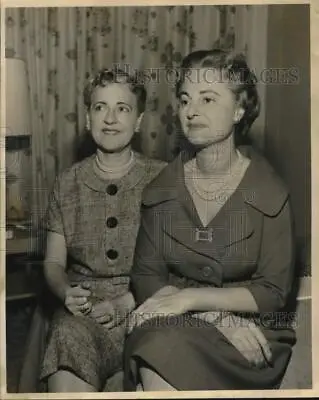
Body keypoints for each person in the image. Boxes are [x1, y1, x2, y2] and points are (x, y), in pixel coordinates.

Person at [123, 49, 297, 391]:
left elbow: (273, 293)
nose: (191, 111)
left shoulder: (270, 191)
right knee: (157, 344)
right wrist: (209, 313)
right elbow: (145, 278)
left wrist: (189, 297)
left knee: (161, 346)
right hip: (174, 324)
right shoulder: (161, 190)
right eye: (185, 99)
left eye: (208, 99)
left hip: (250, 334)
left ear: (239, 109)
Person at [39, 67, 167, 392]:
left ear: (138, 122)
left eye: (122, 108)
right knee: (67, 336)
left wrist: (129, 301)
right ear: (87, 119)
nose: (110, 118)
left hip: (148, 306)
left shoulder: (164, 179)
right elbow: (53, 263)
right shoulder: (66, 182)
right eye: (100, 107)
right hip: (84, 314)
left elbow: (176, 263)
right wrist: (66, 292)